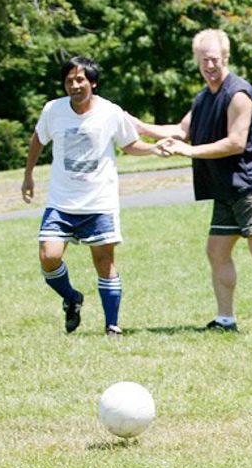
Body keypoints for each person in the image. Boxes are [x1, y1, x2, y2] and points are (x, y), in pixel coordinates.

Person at [132, 29, 252, 333]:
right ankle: (225, 320)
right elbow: (181, 131)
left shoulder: (238, 94)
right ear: (197, 61)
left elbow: (235, 142)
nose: (210, 66)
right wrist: (140, 127)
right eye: (204, 60)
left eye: (215, 59)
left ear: (226, 58)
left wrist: (188, 151)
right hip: (227, 187)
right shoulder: (203, 97)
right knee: (217, 251)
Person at [22, 56, 164, 337]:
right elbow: (38, 138)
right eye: (69, 81)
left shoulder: (110, 112)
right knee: (48, 257)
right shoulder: (53, 110)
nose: (74, 85)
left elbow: (129, 144)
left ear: (93, 83)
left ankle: (112, 325)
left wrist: (153, 149)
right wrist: (28, 175)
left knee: (104, 262)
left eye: (80, 80)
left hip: (99, 202)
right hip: (61, 202)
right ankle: (72, 297)